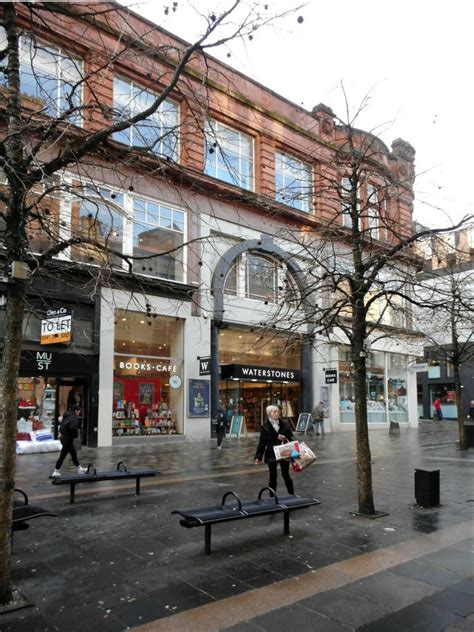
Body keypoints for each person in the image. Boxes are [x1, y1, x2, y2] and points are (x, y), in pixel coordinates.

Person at [254, 405, 294, 495]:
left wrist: (285, 438)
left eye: (277, 411)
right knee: (272, 476)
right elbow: (262, 443)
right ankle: (272, 498)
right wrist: (258, 457)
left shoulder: (285, 423)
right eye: (274, 412)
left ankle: (292, 494)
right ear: (269, 414)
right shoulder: (265, 426)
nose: (277, 413)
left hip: (284, 452)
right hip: (271, 454)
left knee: (286, 475)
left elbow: (291, 437)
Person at [51, 407, 87, 477]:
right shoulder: (73, 417)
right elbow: (73, 428)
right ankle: (56, 471)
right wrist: (75, 435)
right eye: (79, 411)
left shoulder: (66, 416)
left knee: (73, 453)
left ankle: (79, 469)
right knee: (63, 455)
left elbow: (61, 428)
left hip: (64, 438)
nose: (79, 413)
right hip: (68, 439)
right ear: (76, 410)